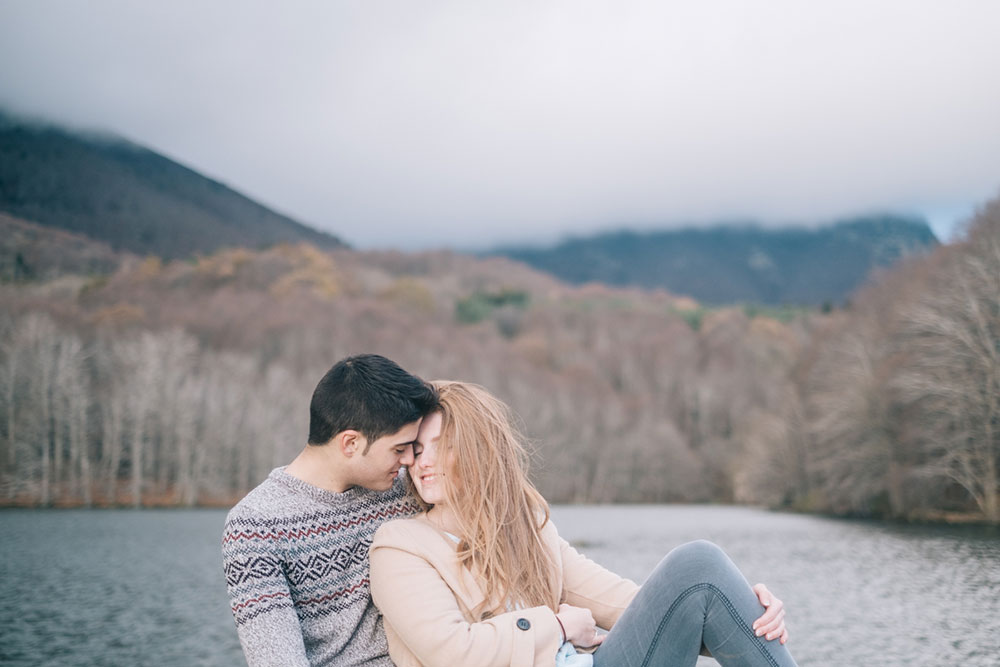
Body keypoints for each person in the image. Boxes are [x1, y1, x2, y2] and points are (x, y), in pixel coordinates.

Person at [370, 381, 797, 667]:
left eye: (440, 447)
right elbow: (452, 653)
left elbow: (636, 605)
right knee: (698, 564)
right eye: (416, 448)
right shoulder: (402, 547)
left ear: (481, 452)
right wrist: (555, 626)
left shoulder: (526, 528)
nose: (421, 462)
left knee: (701, 569)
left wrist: (743, 607)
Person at [222, 354, 438, 667]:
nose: (408, 460)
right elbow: (277, 659)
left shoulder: (409, 489)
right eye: (399, 448)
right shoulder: (255, 525)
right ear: (350, 443)